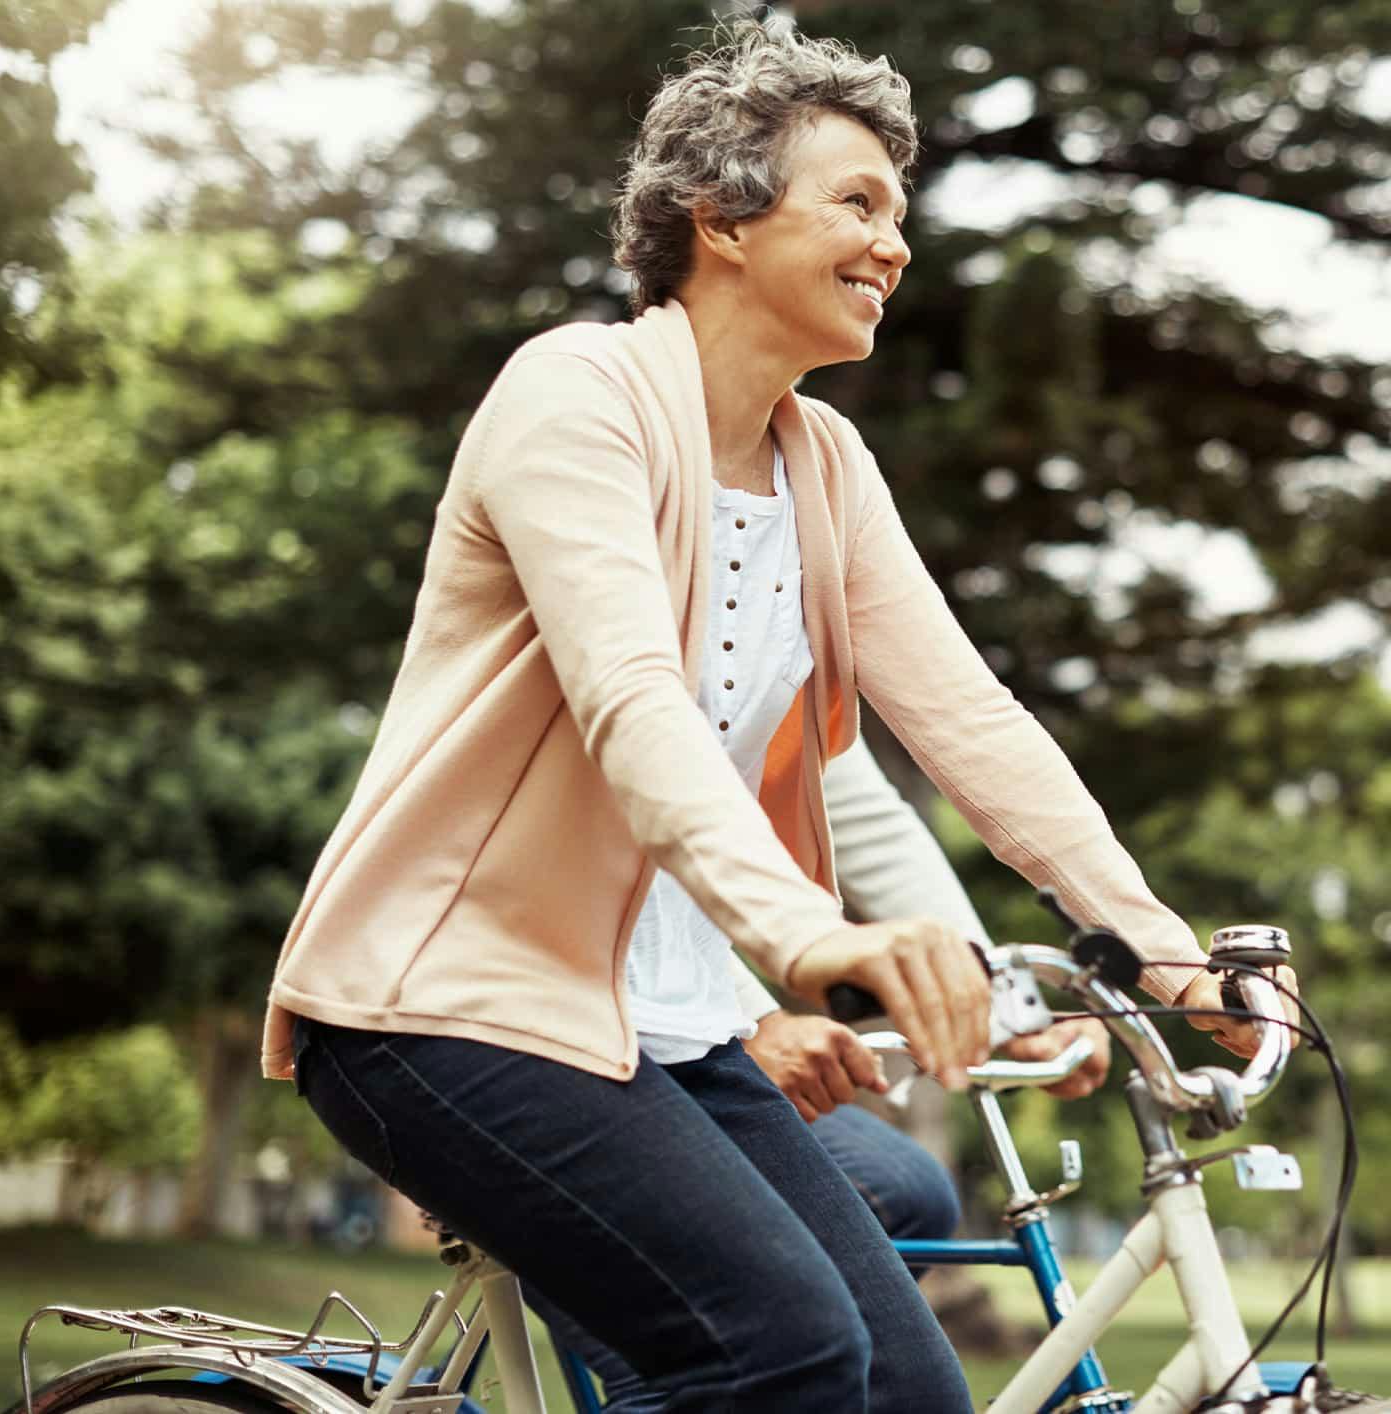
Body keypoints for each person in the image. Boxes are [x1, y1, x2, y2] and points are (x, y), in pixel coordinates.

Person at [262, 23, 1297, 1413]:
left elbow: (971, 723)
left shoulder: (824, 463)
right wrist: (809, 937)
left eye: (903, 215)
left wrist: (1167, 962)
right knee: (784, 1348)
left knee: (911, 1393)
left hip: (665, 1030)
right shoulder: (579, 398)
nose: (897, 244)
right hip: (443, 1008)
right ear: (722, 219)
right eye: (856, 202)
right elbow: (634, 702)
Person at [528, 733, 1111, 1414]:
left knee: (910, 1194)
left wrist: (1008, 1009)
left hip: (691, 1031)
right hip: (547, 1021)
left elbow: (869, 815)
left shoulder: (794, 647)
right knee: (716, 1369)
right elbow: (646, 813)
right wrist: (761, 1014)